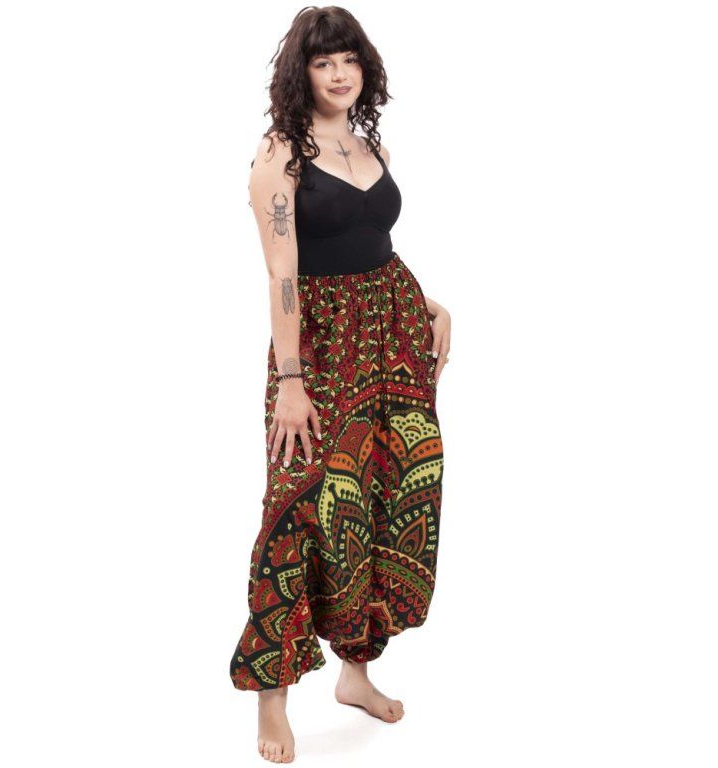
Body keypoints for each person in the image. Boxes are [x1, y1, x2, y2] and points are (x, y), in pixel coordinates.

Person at [228, 7, 451, 763]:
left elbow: (374, 240)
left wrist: (427, 302)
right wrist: (290, 380)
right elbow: (282, 276)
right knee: (299, 507)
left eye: (349, 59)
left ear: (365, 67)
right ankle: (272, 695)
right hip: (319, 351)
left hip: (391, 335)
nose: (338, 73)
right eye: (323, 61)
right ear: (301, 73)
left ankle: (356, 672)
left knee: (385, 492)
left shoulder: (367, 143)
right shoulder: (279, 156)